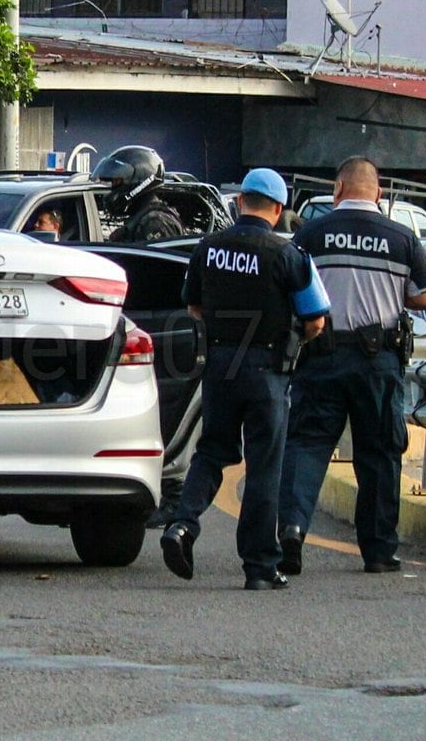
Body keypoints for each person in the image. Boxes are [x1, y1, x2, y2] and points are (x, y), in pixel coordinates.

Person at [161, 168, 329, 591]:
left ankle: (181, 526)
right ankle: (259, 566)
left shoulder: (208, 247)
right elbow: (316, 320)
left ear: (239, 203)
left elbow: (193, 305)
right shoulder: (288, 254)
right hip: (268, 370)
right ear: (278, 209)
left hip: (220, 364)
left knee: (211, 451)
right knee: (263, 467)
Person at [277, 157, 426, 576]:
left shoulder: (309, 234)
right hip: (377, 361)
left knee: (307, 445)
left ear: (338, 190)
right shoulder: (401, 238)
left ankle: (291, 530)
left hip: (321, 356)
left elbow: (289, 290)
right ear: (378, 193)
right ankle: (379, 552)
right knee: (380, 454)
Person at [93, 146, 185, 242]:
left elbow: (156, 256)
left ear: (138, 178)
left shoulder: (155, 222)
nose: (113, 188)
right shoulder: (141, 217)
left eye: (117, 181)